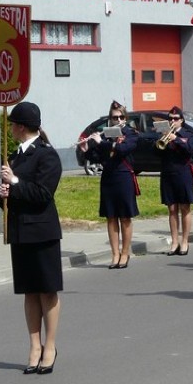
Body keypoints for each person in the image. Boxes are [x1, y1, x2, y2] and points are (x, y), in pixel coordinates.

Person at [0, 102, 63, 375]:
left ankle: (50, 346)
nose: (10, 128)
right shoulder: (16, 156)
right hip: (21, 231)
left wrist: (14, 183)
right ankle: (34, 345)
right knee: (29, 291)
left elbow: (43, 194)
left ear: (21, 127)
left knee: (47, 290)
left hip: (42, 230)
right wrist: (5, 195)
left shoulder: (47, 155)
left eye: (12, 124)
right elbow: (16, 196)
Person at [79, 100, 139, 269]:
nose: (118, 120)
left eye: (121, 117)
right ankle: (115, 254)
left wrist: (101, 143)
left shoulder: (131, 133)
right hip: (108, 178)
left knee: (125, 217)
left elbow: (123, 150)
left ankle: (125, 253)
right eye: (114, 117)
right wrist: (87, 150)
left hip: (124, 177)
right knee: (111, 216)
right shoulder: (105, 135)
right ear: (110, 119)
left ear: (125, 118)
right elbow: (98, 157)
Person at [155, 106, 193, 256]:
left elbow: (190, 149)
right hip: (167, 173)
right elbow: (156, 151)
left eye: (176, 119)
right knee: (172, 209)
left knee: (185, 207)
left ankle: (185, 241)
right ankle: (174, 241)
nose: (173, 121)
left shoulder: (188, 134)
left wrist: (177, 139)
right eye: (171, 118)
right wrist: (161, 137)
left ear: (182, 120)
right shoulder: (164, 134)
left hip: (183, 173)